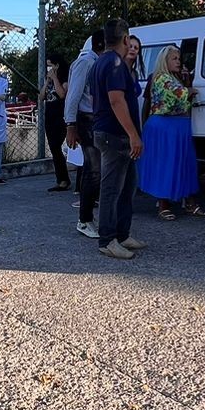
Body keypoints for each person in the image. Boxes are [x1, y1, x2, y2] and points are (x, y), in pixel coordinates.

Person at [92, 19, 146, 259]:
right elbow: (116, 100)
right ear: (125, 39)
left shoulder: (101, 62)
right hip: (115, 135)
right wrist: (133, 134)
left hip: (113, 133)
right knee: (112, 189)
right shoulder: (113, 63)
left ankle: (122, 234)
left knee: (127, 186)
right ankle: (107, 240)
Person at [139, 46, 205, 220]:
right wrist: (189, 89)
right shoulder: (161, 78)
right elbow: (177, 94)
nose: (178, 62)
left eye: (179, 58)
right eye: (174, 59)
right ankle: (164, 205)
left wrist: (187, 82)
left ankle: (189, 202)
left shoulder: (174, 77)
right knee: (166, 164)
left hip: (178, 126)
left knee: (185, 163)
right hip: (166, 126)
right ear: (165, 61)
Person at [64, 28, 107, 238]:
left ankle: (89, 217)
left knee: (96, 169)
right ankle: (84, 219)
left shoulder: (96, 62)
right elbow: (73, 96)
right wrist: (70, 125)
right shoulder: (86, 62)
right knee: (93, 169)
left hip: (94, 119)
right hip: (86, 119)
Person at [41, 54, 72, 192]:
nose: (49, 68)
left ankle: (64, 179)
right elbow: (41, 96)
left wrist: (54, 78)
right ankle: (61, 179)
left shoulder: (64, 79)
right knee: (54, 148)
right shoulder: (48, 80)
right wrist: (47, 82)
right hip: (49, 116)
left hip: (60, 116)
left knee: (56, 146)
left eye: (51, 65)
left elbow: (62, 94)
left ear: (57, 65)